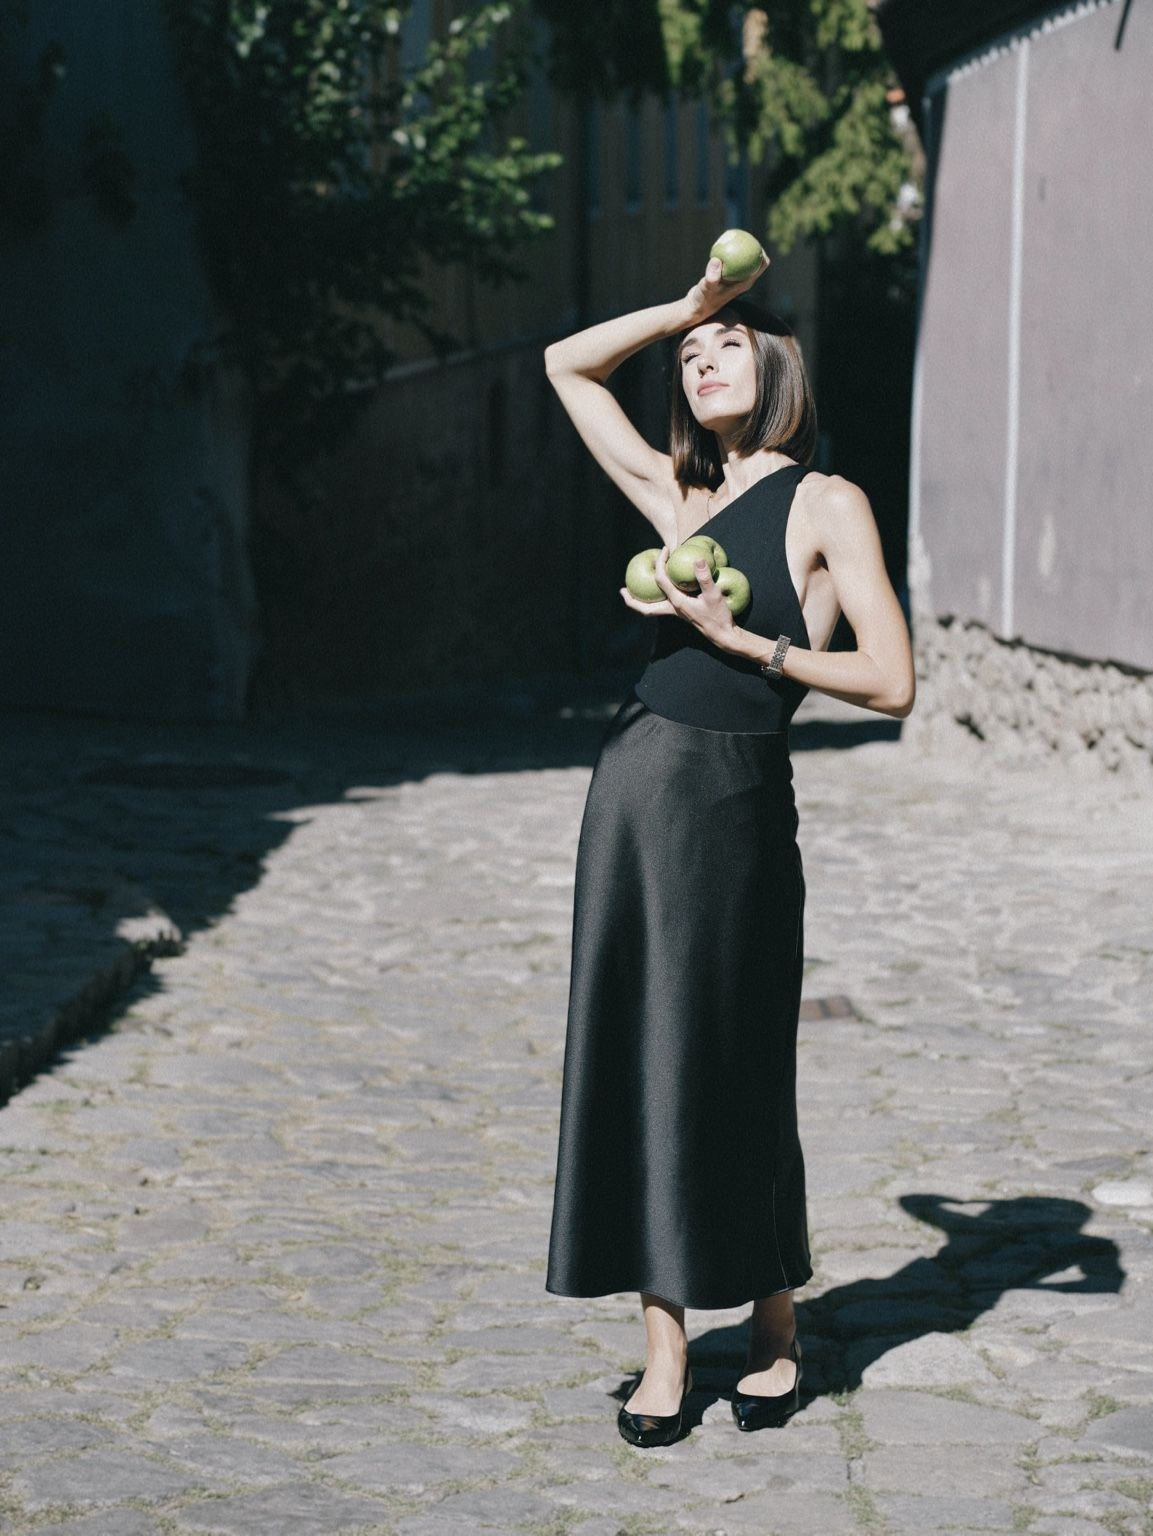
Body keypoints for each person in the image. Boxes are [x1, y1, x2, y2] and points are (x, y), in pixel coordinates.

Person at [542, 249, 915, 1447]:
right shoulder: (676, 499)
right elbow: (565, 365)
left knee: (740, 1059)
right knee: (637, 1055)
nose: (701, 358)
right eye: (690, 355)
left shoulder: (825, 502)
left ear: (777, 364)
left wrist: (745, 642)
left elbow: (890, 680)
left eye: (726, 342)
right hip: (633, 788)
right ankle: (663, 1348)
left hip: (737, 798)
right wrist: (685, 305)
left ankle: (771, 1324)